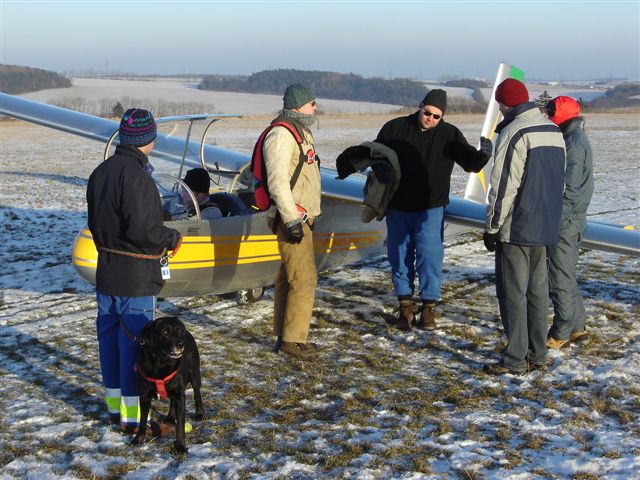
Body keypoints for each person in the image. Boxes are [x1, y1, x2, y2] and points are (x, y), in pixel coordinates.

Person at [86, 108, 182, 432]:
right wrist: (171, 237)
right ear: (148, 139)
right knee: (134, 349)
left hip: (106, 272)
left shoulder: (100, 172)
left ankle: (115, 411)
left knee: (110, 345)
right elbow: (145, 232)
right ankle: (133, 419)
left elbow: (95, 223)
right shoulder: (138, 178)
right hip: (136, 278)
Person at [374, 89, 493, 331]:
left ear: (442, 117)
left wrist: (483, 156)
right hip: (398, 206)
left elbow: (470, 164)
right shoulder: (394, 128)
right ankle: (405, 307)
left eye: (436, 116)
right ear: (420, 107)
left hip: (431, 208)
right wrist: (380, 170)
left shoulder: (449, 134)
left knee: (429, 257)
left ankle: (428, 308)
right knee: (399, 255)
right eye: (427, 113)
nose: (430, 119)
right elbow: (376, 155)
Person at [482, 79, 566, 375]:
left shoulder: (515, 131)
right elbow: (558, 180)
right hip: (545, 226)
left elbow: (504, 185)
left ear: (505, 104)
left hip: (517, 227)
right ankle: (538, 354)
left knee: (513, 294)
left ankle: (515, 359)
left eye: (500, 104)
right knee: (538, 293)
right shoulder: (553, 130)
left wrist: (492, 226)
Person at [265, 84, 321, 359]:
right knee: (304, 278)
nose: (316, 107)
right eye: (312, 103)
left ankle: (285, 335)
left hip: (300, 216)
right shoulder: (282, 135)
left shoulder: (300, 131)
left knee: (289, 278)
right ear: (299, 106)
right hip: (292, 218)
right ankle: (293, 340)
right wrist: (291, 220)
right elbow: (277, 182)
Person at [545, 96, 594, 349]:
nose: (548, 116)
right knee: (565, 274)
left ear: (561, 114)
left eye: (551, 112)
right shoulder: (574, 137)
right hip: (572, 219)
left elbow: (570, 190)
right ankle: (577, 327)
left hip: (566, 222)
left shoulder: (573, 143)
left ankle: (561, 331)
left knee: (558, 277)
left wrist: (557, 221)